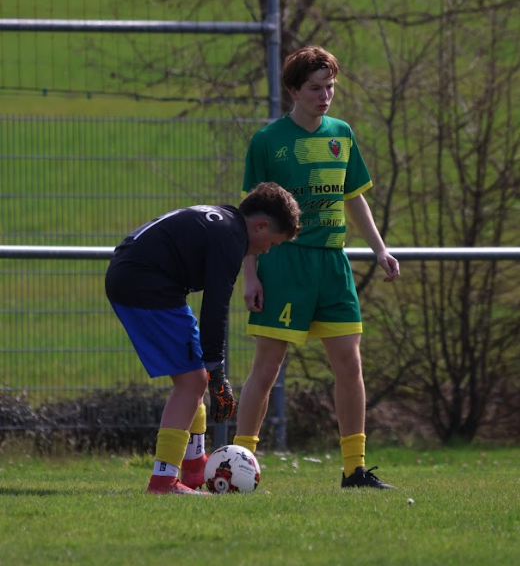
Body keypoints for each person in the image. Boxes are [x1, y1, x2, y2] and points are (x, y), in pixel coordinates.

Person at [232, 46, 400, 489]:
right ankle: (238, 463)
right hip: (285, 264)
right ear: (293, 90)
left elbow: (354, 198)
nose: (324, 96)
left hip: (332, 264)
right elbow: (251, 218)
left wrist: (380, 250)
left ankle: (354, 470)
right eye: (314, 88)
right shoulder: (267, 141)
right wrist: (251, 274)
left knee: (350, 365)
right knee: (266, 369)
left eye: (330, 87)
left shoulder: (341, 133)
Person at [105, 182, 301, 495]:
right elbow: (215, 308)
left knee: (195, 376)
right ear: (261, 226)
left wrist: (213, 369)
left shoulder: (226, 221)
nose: (267, 250)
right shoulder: (231, 239)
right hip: (144, 284)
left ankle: (195, 467)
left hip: (140, 279)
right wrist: (218, 374)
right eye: (272, 243)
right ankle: (163, 481)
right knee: (193, 383)